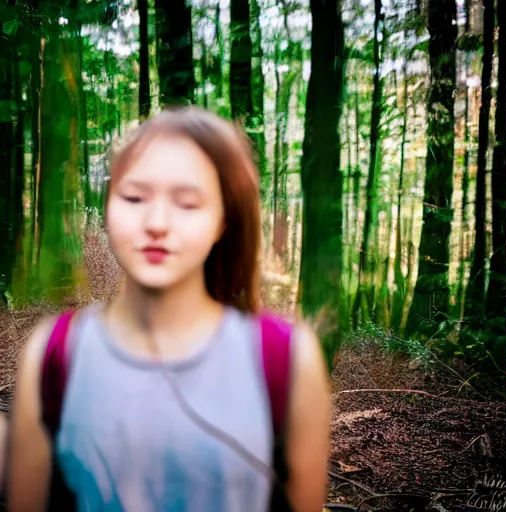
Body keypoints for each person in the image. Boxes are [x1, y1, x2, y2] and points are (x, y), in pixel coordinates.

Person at [7, 107, 331, 512]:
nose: (157, 222)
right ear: (108, 206)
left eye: (188, 203)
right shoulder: (53, 353)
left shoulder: (287, 358)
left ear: (223, 221)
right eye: (134, 197)